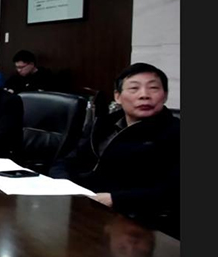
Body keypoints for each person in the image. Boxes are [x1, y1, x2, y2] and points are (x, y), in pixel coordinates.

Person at [50, 63, 179, 238]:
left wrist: (115, 199)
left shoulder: (175, 133)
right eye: (134, 88)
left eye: (153, 88)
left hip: (136, 223)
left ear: (165, 95)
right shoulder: (103, 125)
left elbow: (172, 190)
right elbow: (68, 160)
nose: (144, 95)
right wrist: (63, 183)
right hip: (85, 209)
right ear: (117, 97)